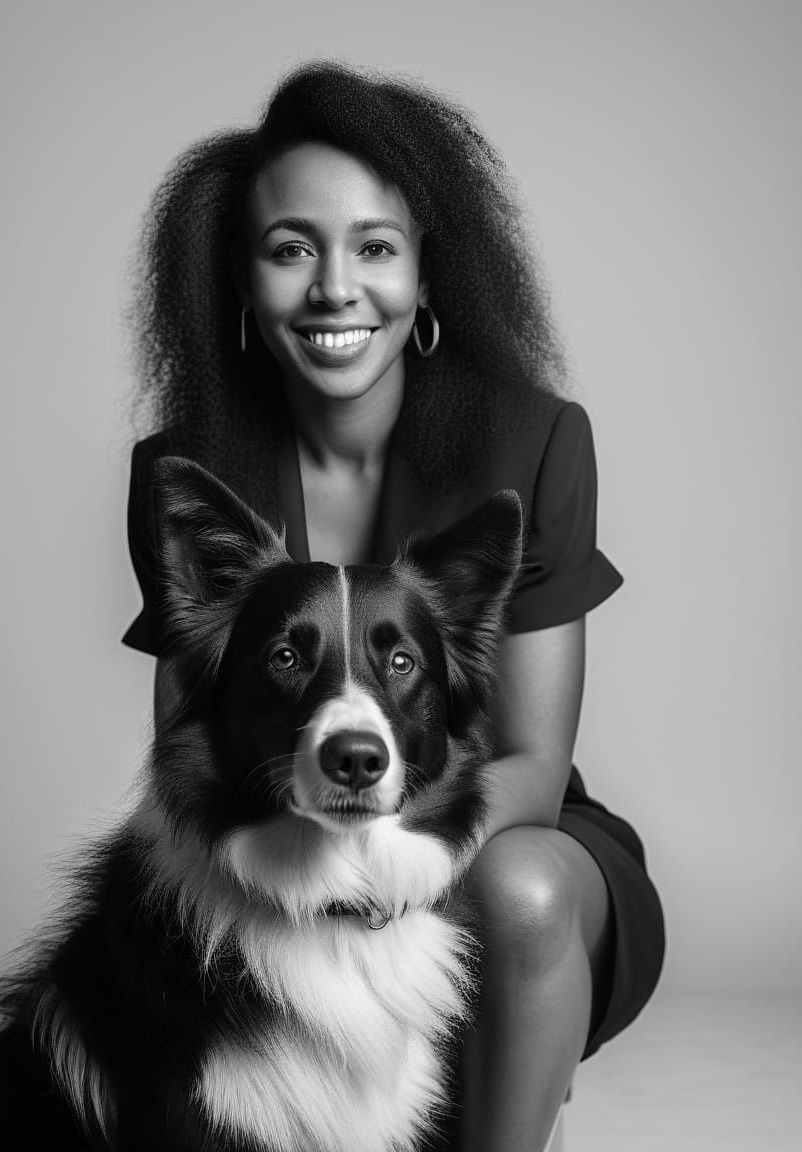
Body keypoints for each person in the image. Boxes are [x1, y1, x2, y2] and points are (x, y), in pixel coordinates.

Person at [122, 61, 665, 1152]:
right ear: (239, 279)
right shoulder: (184, 468)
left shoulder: (537, 439)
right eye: (291, 249)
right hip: (290, 842)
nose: (335, 288)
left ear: (426, 271)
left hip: (489, 827)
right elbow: (195, 747)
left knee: (518, 892)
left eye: (374, 247)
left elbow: (534, 760)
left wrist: (387, 877)